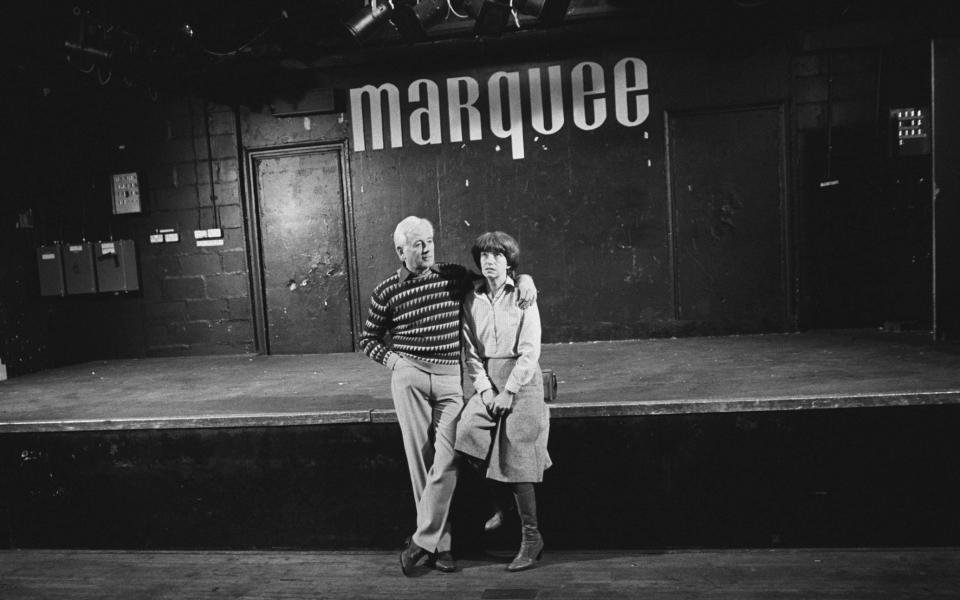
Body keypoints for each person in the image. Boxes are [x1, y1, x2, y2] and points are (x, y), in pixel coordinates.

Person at [359, 216, 536, 576]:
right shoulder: (386, 290)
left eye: (429, 241)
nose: (426, 249)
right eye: (417, 244)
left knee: (448, 459)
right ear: (400, 250)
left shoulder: (452, 276)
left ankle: (421, 540)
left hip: (448, 380)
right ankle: (442, 547)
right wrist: (395, 363)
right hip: (409, 376)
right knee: (420, 463)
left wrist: (524, 278)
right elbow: (368, 340)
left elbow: (495, 279)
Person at [455, 230, 551, 572]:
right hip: (489, 380)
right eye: (483, 256)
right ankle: (502, 504)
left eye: (496, 256)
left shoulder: (524, 295)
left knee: (516, 454)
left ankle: (531, 537)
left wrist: (509, 391)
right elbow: (471, 355)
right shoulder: (472, 299)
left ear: (509, 262)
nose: (489, 261)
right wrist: (486, 392)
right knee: (467, 434)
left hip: (522, 381)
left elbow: (530, 351)